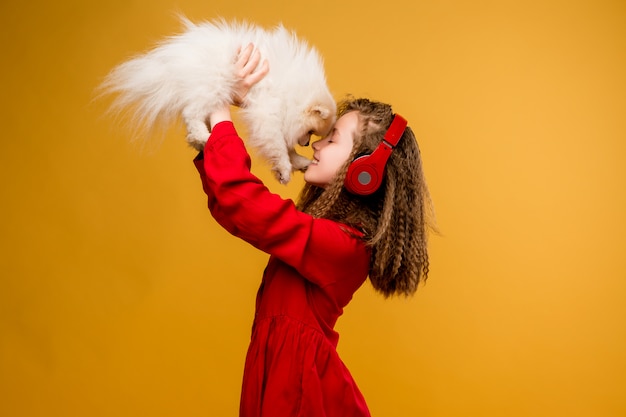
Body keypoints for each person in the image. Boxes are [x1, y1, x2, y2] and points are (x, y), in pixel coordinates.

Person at [194, 45, 436, 417]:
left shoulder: (345, 247)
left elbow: (249, 206)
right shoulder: (328, 232)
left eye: (333, 138)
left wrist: (220, 113)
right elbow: (232, 209)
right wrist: (210, 130)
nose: (316, 143)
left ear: (364, 172)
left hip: (299, 389)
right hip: (277, 371)